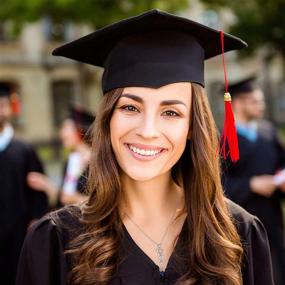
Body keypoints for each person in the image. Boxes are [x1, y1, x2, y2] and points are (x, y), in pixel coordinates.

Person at [16, 10, 274, 285]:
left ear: (191, 128)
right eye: (130, 107)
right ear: (108, 119)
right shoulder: (55, 240)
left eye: (171, 113)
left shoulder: (238, 234)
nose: (147, 131)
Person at [222, 76, 285, 285]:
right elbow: (216, 182)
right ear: (238, 103)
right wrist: (250, 185)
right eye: (255, 101)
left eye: (262, 100)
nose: (262, 105)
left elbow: (281, 163)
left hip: (273, 217)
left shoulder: (268, 132)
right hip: (240, 223)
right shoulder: (223, 140)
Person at [0, 83, 48, 285]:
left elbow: (38, 193)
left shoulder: (24, 150)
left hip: (18, 235)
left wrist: (35, 221)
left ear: (9, 109)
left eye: (1, 105)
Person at [27, 105, 94, 207]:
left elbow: (106, 202)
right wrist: (47, 185)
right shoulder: (71, 161)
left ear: (79, 130)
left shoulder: (97, 161)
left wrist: (76, 198)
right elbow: (64, 198)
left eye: (66, 128)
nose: (61, 133)